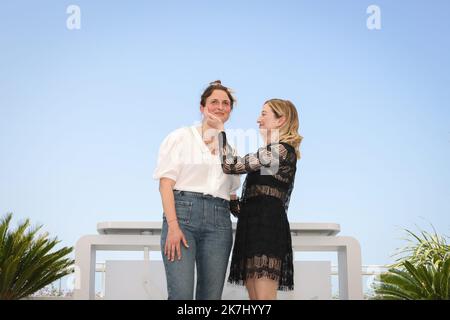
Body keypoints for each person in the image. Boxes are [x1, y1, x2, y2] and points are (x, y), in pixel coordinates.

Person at [204, 98, 302, 300]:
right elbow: (243, 209)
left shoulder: (281, 150)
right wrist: (231, 192)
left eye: (264, 114)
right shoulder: (269, 154)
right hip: (250, 230)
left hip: (267, 231)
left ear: (280, 120)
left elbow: (231, 165)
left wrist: (221, 131)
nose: (258, 119)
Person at [152, 80, 240, 300]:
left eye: (226, 103)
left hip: (219, 222)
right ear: (202, 107)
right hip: (183, 217)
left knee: (210, 298)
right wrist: (173, 226)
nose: (220, 107)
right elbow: (165, 185)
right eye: (214, 102)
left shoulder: (230, 150)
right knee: (180, 294)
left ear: (230, 110)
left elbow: (232, 195)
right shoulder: (180, 137)